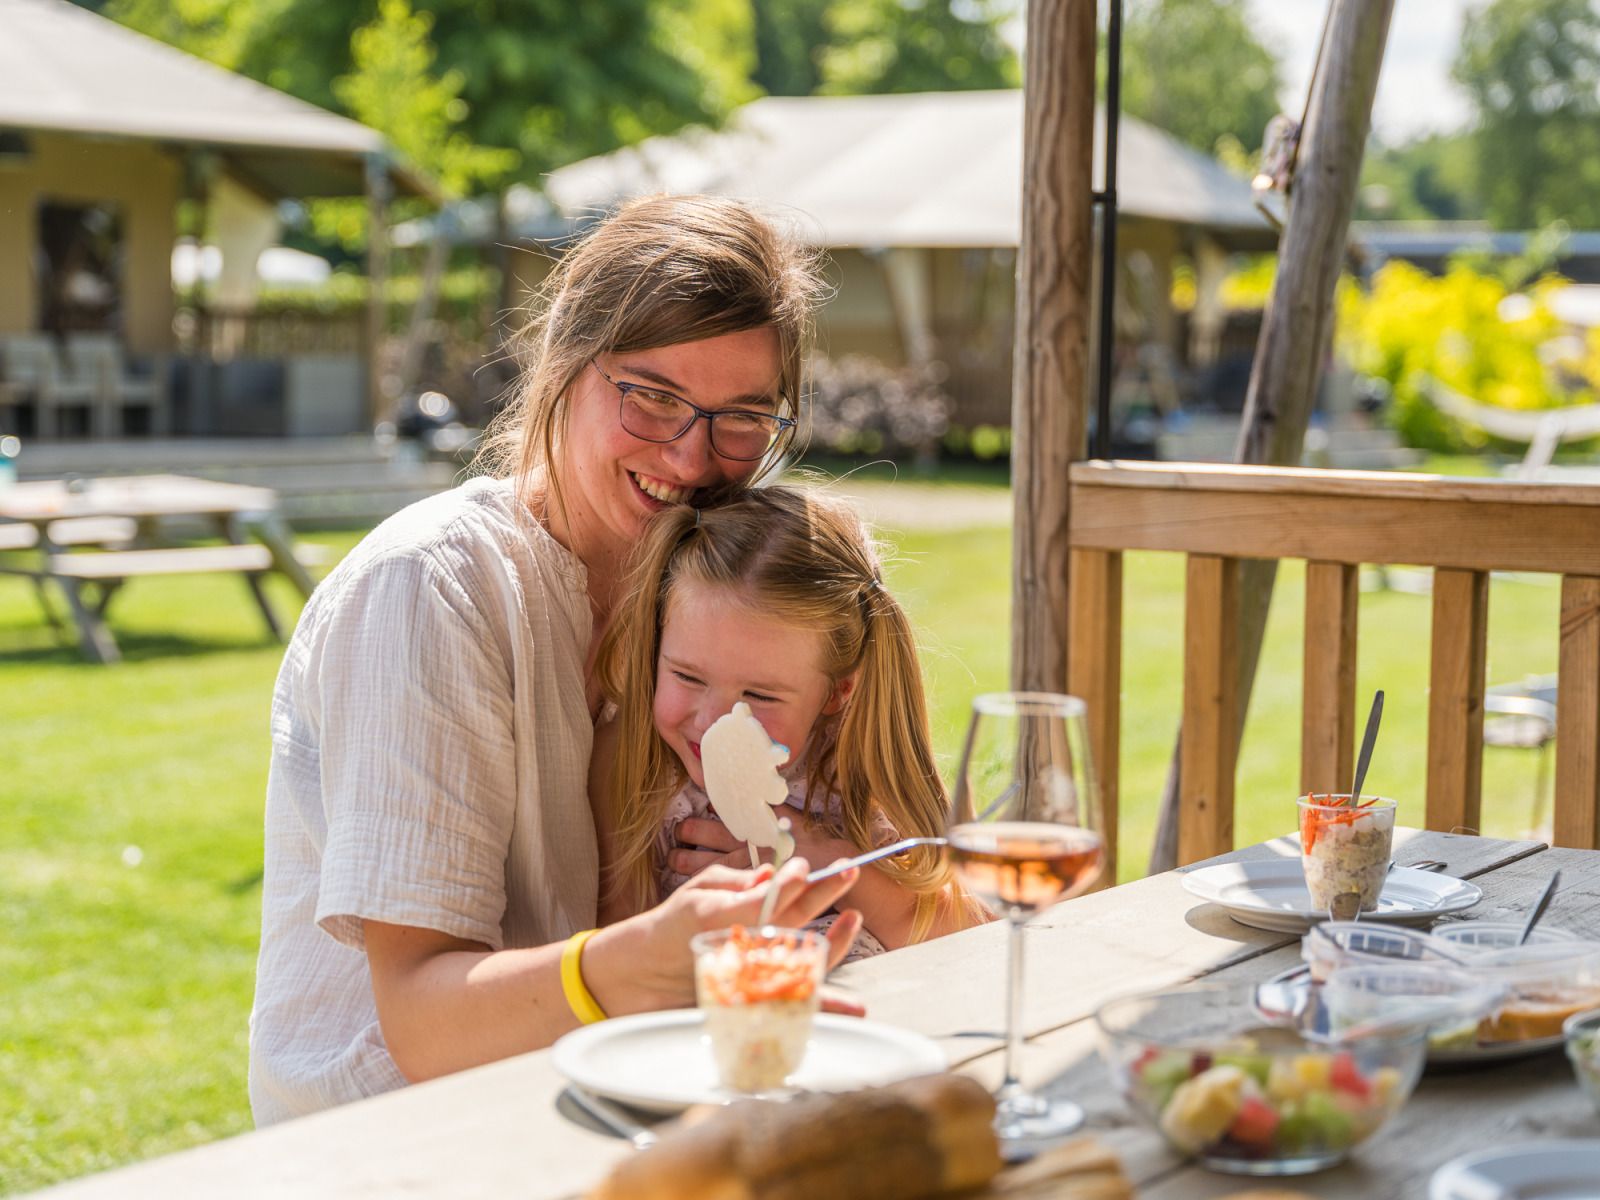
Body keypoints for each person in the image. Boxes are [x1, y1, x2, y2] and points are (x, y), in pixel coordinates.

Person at [248, 195, 864, 1126]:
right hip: (392, 1147)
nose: (693, 455)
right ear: (563, 367)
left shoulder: (720, 598)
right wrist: (642, 959)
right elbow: (424, 1022)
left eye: (741, 417)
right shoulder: (433, 589)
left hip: (618, 1110)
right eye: (652, 396)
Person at [591, 486, 990, 954]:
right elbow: (615, 948)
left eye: (759, 695)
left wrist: (831, 862)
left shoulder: (857, 768)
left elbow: (973, 937)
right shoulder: (631, 764)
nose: (714, 721)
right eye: (687, 676)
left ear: (837, 691)